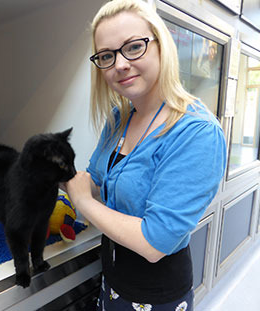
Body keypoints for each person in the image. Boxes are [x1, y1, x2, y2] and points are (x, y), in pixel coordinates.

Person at [63, 0, 226, 310]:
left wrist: (82, 201)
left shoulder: (196, 132)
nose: (120, 64)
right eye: (107, 56)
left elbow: (155, 242)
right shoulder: (118, 118)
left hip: (156, 294)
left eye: (134, 47)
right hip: (111, 277)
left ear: (161, 46)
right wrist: (46, 172)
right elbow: (96, 181)